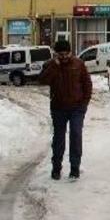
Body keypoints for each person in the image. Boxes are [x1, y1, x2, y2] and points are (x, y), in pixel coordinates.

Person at [39, 40, 92, 180]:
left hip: (77, 108)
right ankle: (56, 168)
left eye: (66, 54)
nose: (63, 57)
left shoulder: (79, 64)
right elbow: (42, 80)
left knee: (75, 135)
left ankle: (75, 169)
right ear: (56, 54)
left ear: (70, 52)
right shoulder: (50, 65)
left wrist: (84, 104)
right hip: (58, 108)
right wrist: (54, 67)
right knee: (59, 138)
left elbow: (87, 84)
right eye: (60, 54)